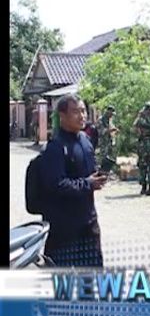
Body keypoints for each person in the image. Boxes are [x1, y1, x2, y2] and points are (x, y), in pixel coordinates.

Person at [39, 94, 108, 267]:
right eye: (76, 112)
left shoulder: (86, 141)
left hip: (88, 224)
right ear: (62, 115)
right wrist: (88, 183)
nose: (82, 116)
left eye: (84, 111)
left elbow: (87, 174)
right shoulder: (55, 148)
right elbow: (56, 185)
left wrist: (98, 177)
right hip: (63, 228)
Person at [97, 105, 119, 172]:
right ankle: (102, 171)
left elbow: (112, 128)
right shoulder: (101, 120)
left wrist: (115, 131)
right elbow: (101, 131)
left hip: (110, 141)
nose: (112, 115)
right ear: (108, 112)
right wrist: (110, 130)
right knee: (103, 157)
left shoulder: (109, 120)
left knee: (110, 157)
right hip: (104, 142)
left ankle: (108, 171)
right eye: (111, 114)